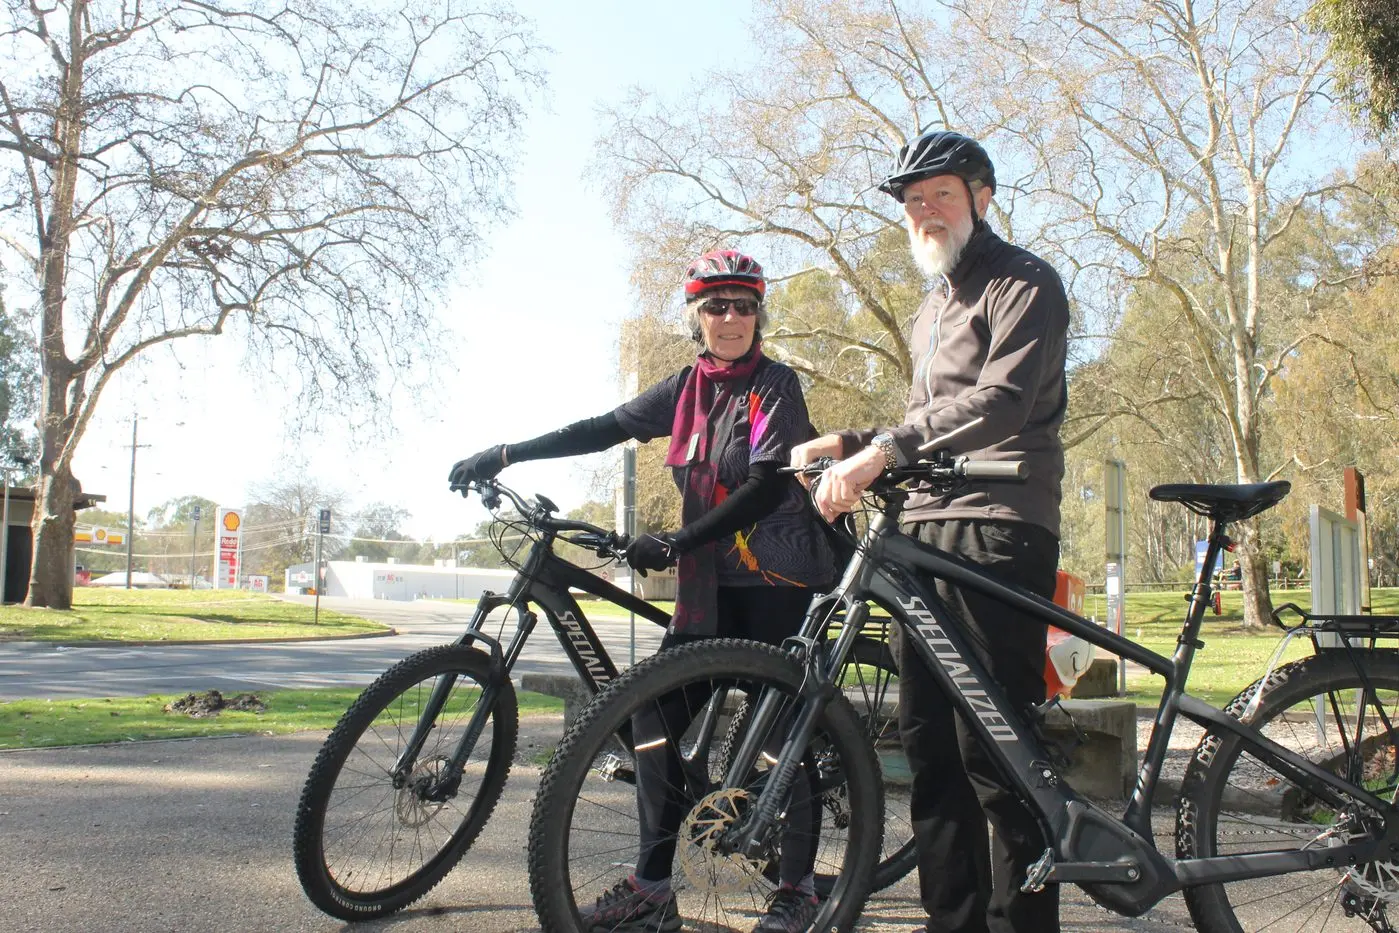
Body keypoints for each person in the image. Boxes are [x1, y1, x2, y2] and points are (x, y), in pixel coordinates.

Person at [448, 248, 835, 933]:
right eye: (716, 305)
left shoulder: (774, 386)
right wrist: (507, 452)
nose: (731, 317)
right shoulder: (684, 388)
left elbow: (766, 483)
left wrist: (678, 539)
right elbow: (601, 429)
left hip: (773, 575)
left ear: (757, 315)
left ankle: (798, 889)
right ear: (696, 318)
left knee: (776, 728)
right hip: (705, 586)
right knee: (652, 719)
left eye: (744, 305)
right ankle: (651, 888)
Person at [791, 130, 1070, 933]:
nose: (923, 211)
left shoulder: (1023, 283)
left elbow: (1002, 401)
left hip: (997, 524)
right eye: (912, 201)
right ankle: (952, 923)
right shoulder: (930, 306)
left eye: (939, 195)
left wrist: (885, 450)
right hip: (921, 531)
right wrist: (853, 443)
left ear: (981, 198)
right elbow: (924, 421)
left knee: (997, 749)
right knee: (929, 749)